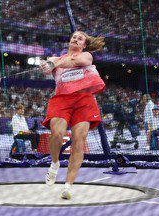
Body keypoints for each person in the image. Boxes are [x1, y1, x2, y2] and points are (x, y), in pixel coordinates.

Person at [39, 30, 105, 199]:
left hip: (84, 100)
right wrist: (46, 65)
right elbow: (47, 67)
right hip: (61, 99)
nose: (76, 39)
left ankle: (68, 185)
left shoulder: (87, 56)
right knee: (57, 133)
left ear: (84, 45)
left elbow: (76, 60)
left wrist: (55, 64)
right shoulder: (55, 59)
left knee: (79, 140)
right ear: (69, 41)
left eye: (80, 38)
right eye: (74, 37)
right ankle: (54, 163)